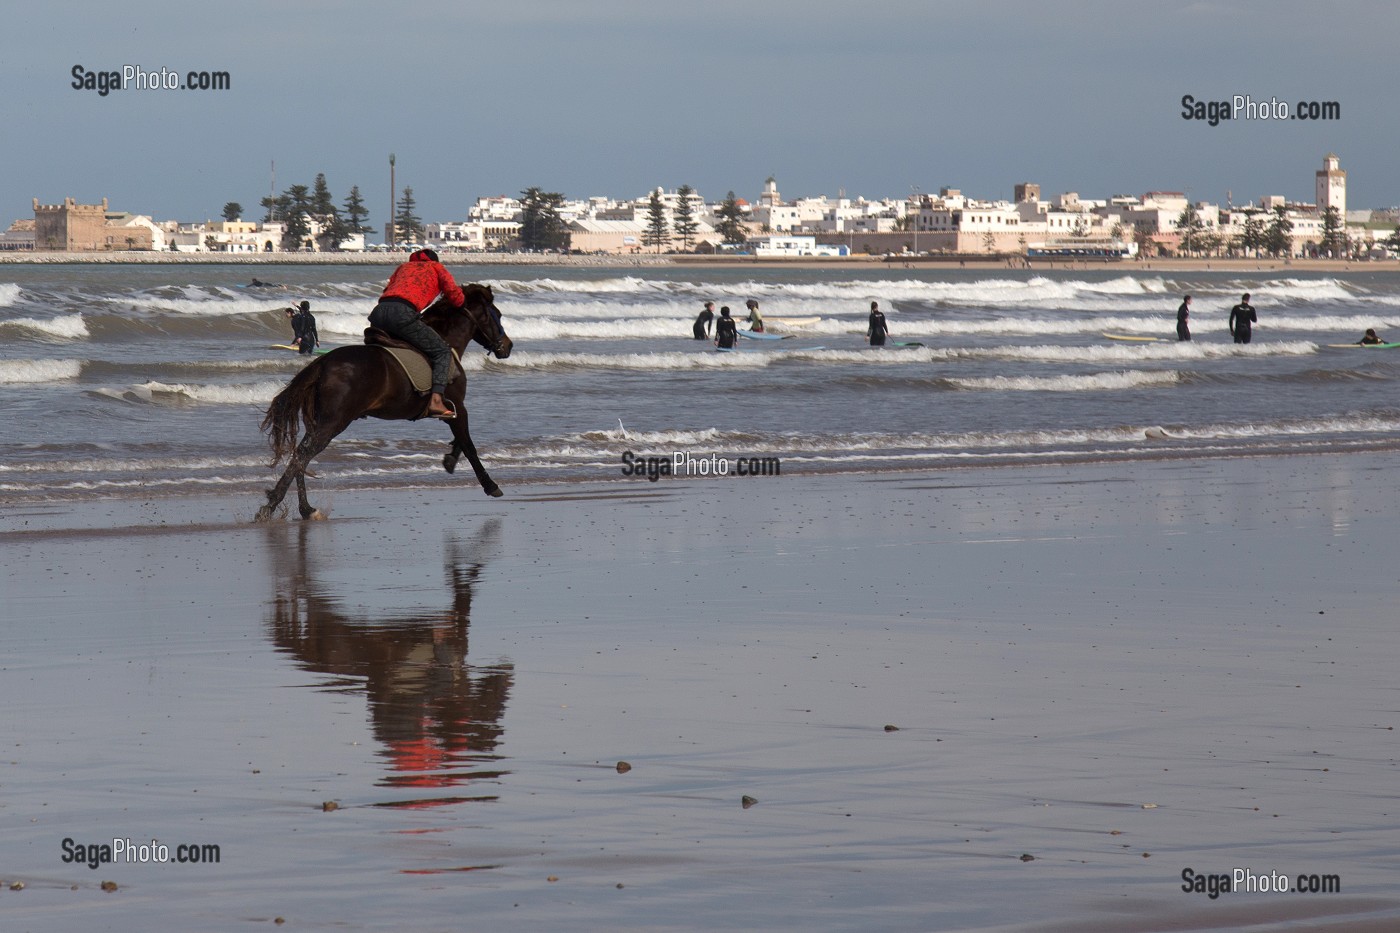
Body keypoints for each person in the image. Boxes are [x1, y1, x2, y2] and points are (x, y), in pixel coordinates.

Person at [368, 248, 464, 419]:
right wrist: (461, 301)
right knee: (442, 351)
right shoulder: (436, 267)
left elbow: (386, 290)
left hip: (379, 312)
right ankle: (435, 401)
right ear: (435, 260)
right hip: (402, 313)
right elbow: (455, 296)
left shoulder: (403, 267)